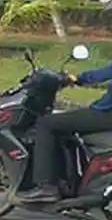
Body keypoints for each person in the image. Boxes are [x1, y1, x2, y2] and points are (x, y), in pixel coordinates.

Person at [18, 57, 112, 203]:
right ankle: (70, 181)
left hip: (105, 115)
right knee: (65, 126)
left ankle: (46, 186)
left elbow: (99, 75)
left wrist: (75, 78)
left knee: (46, 123)